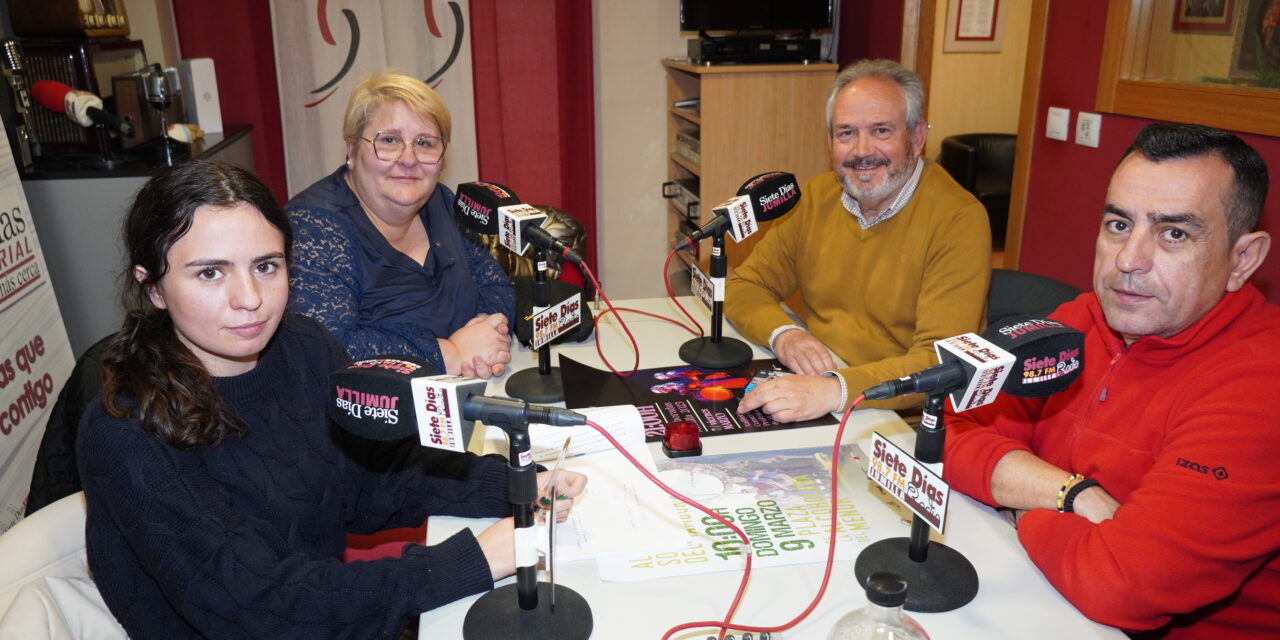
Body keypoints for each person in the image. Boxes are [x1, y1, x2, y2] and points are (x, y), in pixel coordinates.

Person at [78, 160, 585, 638]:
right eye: (210, 273)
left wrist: (514, 487)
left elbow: (370, 482)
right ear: (155, 288)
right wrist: (471, 562)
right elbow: (262, 607)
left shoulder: (303, 346)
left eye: (266, 266)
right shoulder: (125, 434)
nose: (249, 298)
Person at [943, 123, 1280, 638]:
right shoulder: (1081, 317)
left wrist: (1016, 504)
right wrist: (1067, 493)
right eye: (1119, 225)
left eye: (1174, 234)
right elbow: (946, 427)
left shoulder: (1261, 385)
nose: (1128, 261)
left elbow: (1121, 583)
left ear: (1243, 259)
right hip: (1041, 591)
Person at [728, 59, 991, 423]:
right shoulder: (816, 197)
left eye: (881, 130)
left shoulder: (959, 219)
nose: (862, 151)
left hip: (902, 414)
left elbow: (941, 360)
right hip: (820, 389)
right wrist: (785, 334)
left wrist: (836, 389)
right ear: (829, 141)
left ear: (916, 137)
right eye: (846, 133)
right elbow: (745, 284)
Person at [287, 69, 514, 378]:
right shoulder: (313, 228)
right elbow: (325, 349)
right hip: (374, 417)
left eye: (425, 143)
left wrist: (488, 335)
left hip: (472, 384)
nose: (409, 159)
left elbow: (495, 284)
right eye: (390, 140)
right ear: (351, 149)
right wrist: (450, 352)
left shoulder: (442, 202)